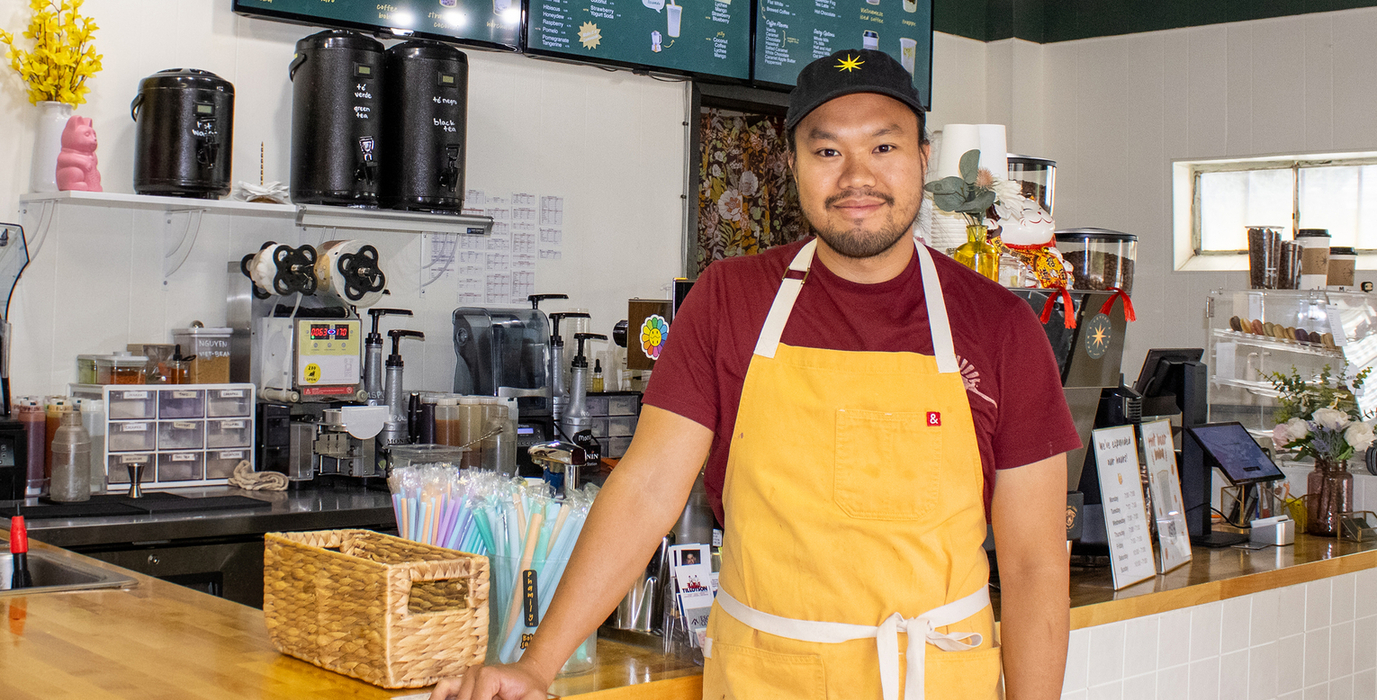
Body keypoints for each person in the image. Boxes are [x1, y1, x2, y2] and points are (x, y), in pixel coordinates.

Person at [435, 49, 1077, 700]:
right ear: (792, 163)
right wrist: (536, 663)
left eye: (883, 147)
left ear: (923, 158)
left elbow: (1033, 564)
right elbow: (648, 489)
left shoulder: (999, 326)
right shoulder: (730, 299)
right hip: (763, 680)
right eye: (827, 152)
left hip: (933, 682)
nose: (858, 176)